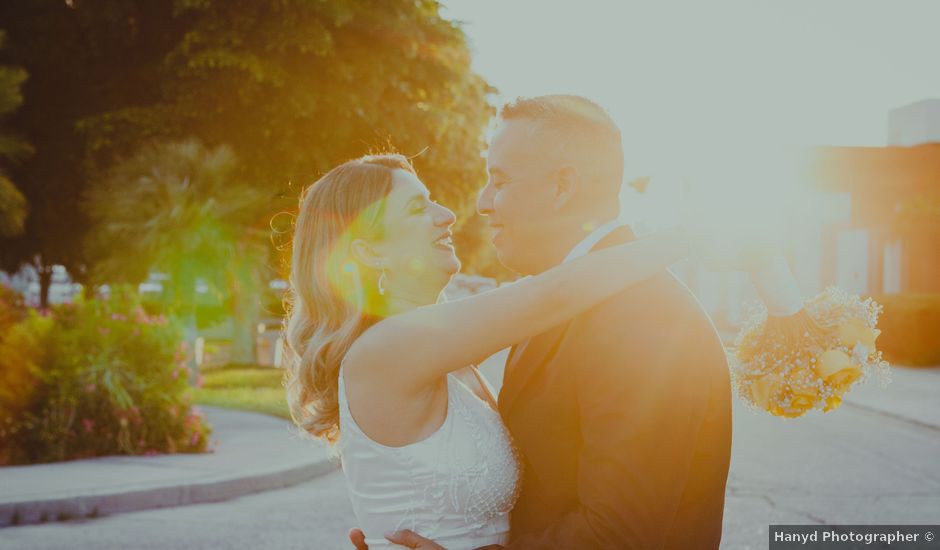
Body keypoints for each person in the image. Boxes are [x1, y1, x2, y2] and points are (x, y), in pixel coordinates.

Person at [347, 95, 732, 549]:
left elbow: (621, 536)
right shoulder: (551, 311)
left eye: (500, 181)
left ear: (562, 187)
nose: (482, 203)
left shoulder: (639, 311)